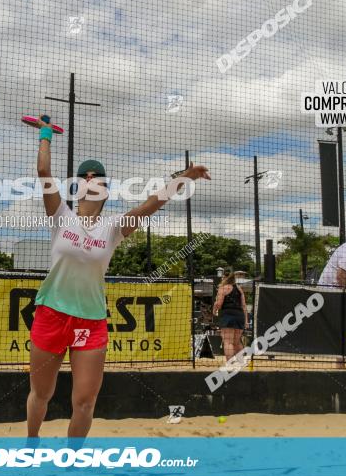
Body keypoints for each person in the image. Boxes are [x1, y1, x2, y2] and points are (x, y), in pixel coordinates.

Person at [26, 113, 210, 439]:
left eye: (99, 176)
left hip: (91, 319)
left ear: (106, 189)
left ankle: (72, 461)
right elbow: (43, 172)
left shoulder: (113, 228)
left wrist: (187, 176)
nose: (92, 178)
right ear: (78, 185)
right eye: (86, 175)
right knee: (42, 393)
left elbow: (153, 203)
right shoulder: (60, 215)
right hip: (51, 313)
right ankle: (32, 440)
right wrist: (45, 133)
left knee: (84, 400)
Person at [212, 272, 248, 361]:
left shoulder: (223, 288)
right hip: (240, 316)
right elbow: (244, 306)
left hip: (228, 316)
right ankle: (241, 362)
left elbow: (219, 304)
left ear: (224, 278)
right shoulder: (239, 289)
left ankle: (230, 364)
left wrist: (214, 308)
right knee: (237, 342)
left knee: (228, 342)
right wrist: (246, 321)